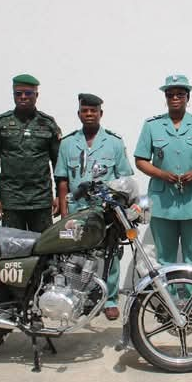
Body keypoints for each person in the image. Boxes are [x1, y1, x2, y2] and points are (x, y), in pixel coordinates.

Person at [134, 75, 192, 315]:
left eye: (180, 94)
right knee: (165, 257)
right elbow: (140, 159)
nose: (175, 98)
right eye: (171, 95)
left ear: (188, 98)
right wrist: (161, 174)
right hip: (163, 200)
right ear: (166, 98)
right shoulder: (152, 125)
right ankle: (168, 304)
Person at [54, 93, 133, 320]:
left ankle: (109, 300)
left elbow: (125, 180)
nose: (89, 114)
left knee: (111, 255)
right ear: (79, 113)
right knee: (73, 255)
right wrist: (63, 211)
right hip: (77, 209)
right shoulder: (68, 143)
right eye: (85, 110)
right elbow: (62, 180)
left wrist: (122, 211)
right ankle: (76, 296)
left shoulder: (114, 143)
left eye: (93, 110)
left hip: (105, 211)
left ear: (101, 113)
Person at [0, 74, 62, 232]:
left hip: (41, 200)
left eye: (28, 93)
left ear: (36, 95)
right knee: (12, 248)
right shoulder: (1, 123)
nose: (23, 97)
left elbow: (58, 163)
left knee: (43, 249)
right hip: (11, 200)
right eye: (18, 94)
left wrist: (59, 195)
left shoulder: (48, 124)